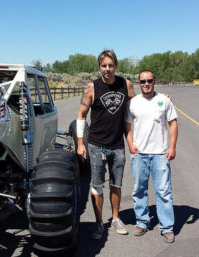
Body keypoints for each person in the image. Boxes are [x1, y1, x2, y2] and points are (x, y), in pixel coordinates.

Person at [76, 49, 135, 240]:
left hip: (117, 145)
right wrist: (80, 143)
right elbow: (81, 116)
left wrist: (159, 99)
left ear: (115, 65)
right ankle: (99, 223)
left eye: (110, 65)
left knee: (116, 184)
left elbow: (137, 108)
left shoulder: (126, 84)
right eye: (104, 65)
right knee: (97, 186)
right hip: (96, 145)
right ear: (99, 67)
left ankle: (116, 218)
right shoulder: (92, 88)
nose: (107, 69)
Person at [125, 70, 178, 243]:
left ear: (154, 82)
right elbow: (128, 126)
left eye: (149, 81)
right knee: (139, 189)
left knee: (163, 191)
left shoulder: (163, 101)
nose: (146, 84)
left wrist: (172, 147)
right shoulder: (133, 103)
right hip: (139, 154)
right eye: (142, 81)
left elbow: (173, 124)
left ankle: (167, 227)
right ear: (139, 83)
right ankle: (142, 221)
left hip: (160, 154)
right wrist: (130, 144)